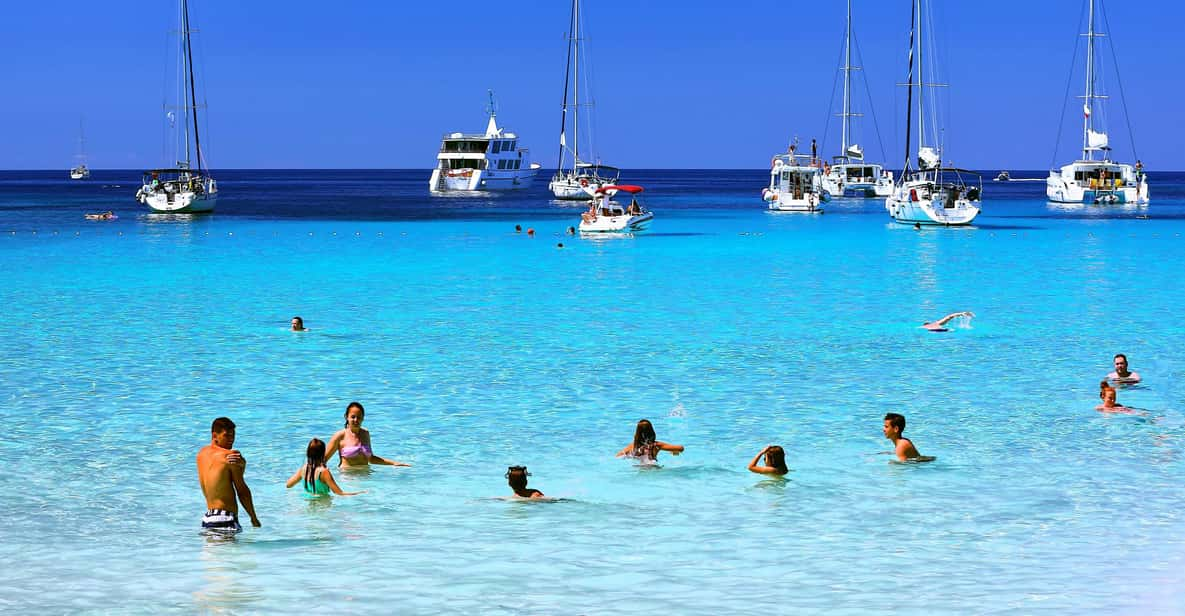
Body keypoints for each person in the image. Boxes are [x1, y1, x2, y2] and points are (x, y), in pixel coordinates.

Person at [196, 417, 261, 532]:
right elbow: (242, 491)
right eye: (227, 436)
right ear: (214, 436)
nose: (231, 439)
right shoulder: (231, 456)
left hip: (208, 519)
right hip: (225, 519)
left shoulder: (201, 454)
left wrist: (242, 466)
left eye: (233, 435)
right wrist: (253, 518)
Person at [324, 401, 412, 468]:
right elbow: (323, 460)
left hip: (366, 478)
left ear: (363, 418)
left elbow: (371, 459)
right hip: (347, 479)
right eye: (353, 417)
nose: (356, 420)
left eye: (359, 417)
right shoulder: (339, 436)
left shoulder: (365, 433)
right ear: (346, 417)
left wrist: (394, 463)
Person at [286, 438, 363, 497]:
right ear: (323, 454)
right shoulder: (324, 472)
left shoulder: (303, 469)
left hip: (308, 501)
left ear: (308, 453)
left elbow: (288, 485)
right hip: (323, 505)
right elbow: (339, 493)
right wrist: (359, 493)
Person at [616, 419, 684, 461]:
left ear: (637, 433)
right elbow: (681, 448)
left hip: (640, 469)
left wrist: (631, 456)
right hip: (654, 468)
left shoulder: (633, 446)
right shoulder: (657, 445)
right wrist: (673, 451)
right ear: (652, 431)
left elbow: (618, 456)